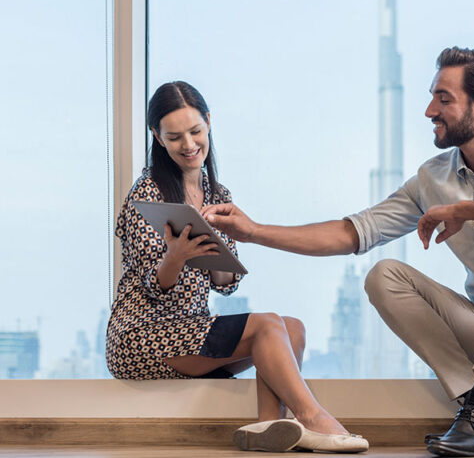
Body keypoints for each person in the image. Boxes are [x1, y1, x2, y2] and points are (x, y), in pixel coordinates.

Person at [203, 47, 474, 457]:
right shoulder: (432, 178)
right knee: (383, 275)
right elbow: (353, 232)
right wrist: (253, 232)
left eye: (444, 98)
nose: (429, 110)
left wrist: (463, 210)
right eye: (431, 97)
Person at [105, 81, 367, 453]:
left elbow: (225, 285)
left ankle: (267, 427)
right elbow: (154, 288)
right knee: (265, 324)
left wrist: (216, 252)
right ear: (157, 137)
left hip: (190, 329)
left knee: (292, 328)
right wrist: (176, 257)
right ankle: (312, 418)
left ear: (209, 122)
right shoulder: (147, 195)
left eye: (195, 131)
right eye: (175, 136)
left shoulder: (218, 195)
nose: (189, 144)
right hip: (142, 334)